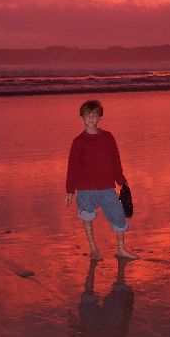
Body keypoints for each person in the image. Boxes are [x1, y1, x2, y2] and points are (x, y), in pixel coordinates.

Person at [65, 99, 138, 260]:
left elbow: (115, 161)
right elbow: (73, 167)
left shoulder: (108, 137)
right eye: (88, 114)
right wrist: (70, 190)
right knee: (87, 216)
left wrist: (121, 180)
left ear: (99, 118)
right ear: (82, 117)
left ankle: (121, 249)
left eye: (95, 114)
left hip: (106, 187)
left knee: (118, 216)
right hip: (85, 189)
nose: (91, 117)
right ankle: (93, 248)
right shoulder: (78, 142)